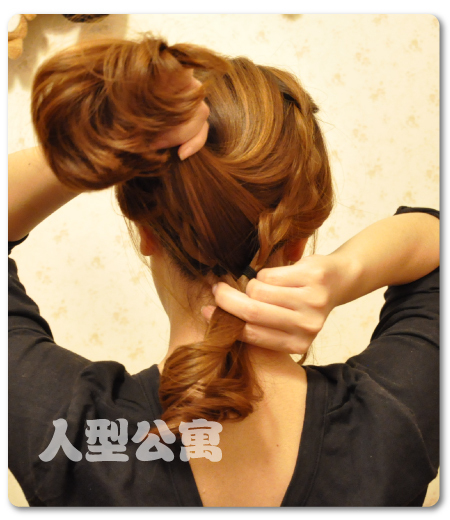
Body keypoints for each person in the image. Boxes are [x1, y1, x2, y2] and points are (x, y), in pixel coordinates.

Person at [8, 35, 439, 507]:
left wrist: (97, 141)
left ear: (146, 232)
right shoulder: (392, 422)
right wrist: (345, 272)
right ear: (298, 243)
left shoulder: (71, 436)